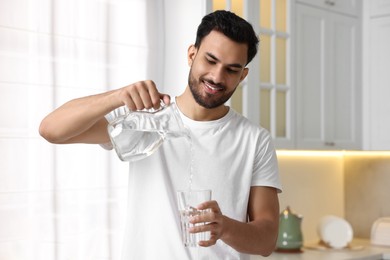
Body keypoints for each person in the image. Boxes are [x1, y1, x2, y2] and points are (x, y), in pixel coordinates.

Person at [39, 10, 282, 260]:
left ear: (243, 75)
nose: (217, 77)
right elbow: (52, 129)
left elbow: (266, 240)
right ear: (192, 54)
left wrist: (225, 227)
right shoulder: (145, 118)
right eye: (210, 60)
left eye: (231, 70)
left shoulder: (255, 140)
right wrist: (117, 96)